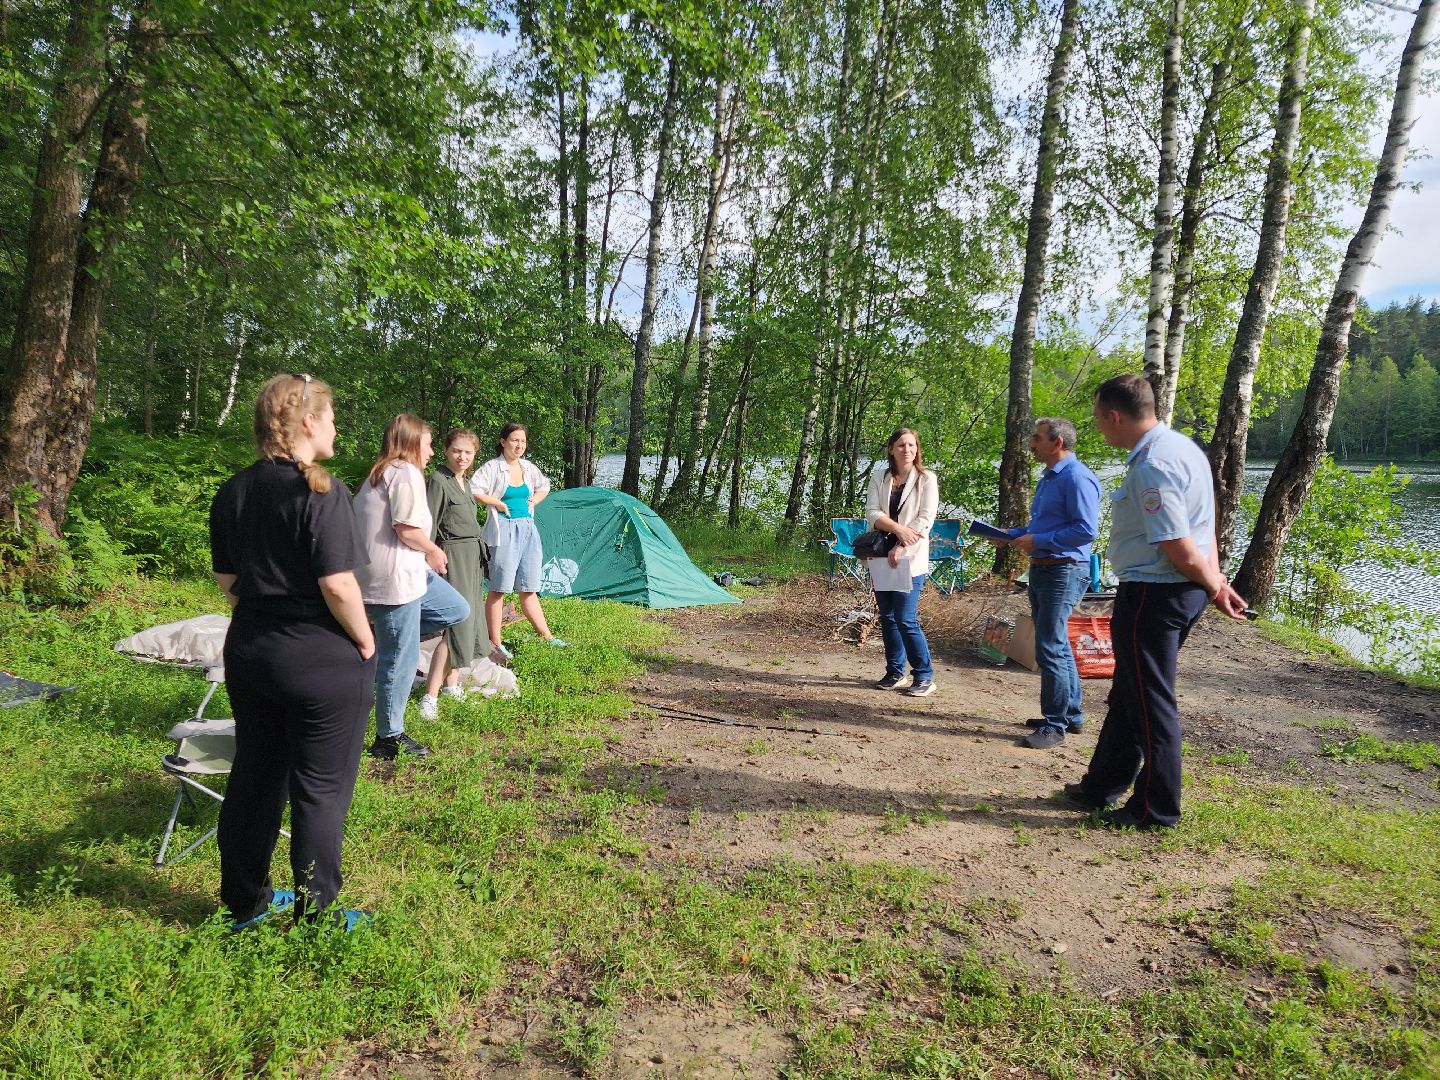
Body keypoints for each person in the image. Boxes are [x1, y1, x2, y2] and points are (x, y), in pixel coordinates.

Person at [208, 373, 375, 930]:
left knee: (255, 775)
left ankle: (244, 903)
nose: (336, 426)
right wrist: (364, 638)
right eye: (330, 417)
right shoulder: (321, 492)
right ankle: (317, 917)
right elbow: (338, 585)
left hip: (251, 650)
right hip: (318, 658)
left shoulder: (233, 491)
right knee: (320, 789)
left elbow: (228, 581)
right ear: (307, 422)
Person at [1064, 374, 1248, 828]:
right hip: (1172, 588)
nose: (1100, 430)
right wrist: (1215, 579)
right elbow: (1206, 526)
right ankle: (1100, 785)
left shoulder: (1154, 464)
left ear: (1115, 415)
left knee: (1149, 700)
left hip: (1155, 592)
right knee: (1129, 692)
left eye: (1099, 421)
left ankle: (1155, 808)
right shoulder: (1184, 448)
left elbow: (1180, 545)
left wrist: (1213, 584)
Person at [353, 414, 470, 760]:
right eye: (429, 443)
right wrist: (433, 550)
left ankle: (388, 638)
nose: (432, 452)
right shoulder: (403, 473)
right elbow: (405, 528)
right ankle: (388, 738)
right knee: (399, 659)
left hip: (403, 574)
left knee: (456, 608)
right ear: (411, 442)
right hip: (393, 580)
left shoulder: (382, 473)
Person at [992, 418, 1101, 750]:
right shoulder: (1049, 478)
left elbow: (1086, 531)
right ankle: (1072, 714)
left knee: (1050, 647)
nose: (1031, 443)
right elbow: (1041, 525)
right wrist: (1009, 536)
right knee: (1057, 643)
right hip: (1043, 568)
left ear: (1057, 443)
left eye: (1037, 438)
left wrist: (1040, 538)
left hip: (1064, 570)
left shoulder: (1077, 478)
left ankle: (1055, 725)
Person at [470, 423, 568, 658]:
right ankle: (496, 643)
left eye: (522, 441)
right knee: (499, 588)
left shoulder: (527, 467)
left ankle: (548, 637)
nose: (519, 445)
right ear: (503, 442)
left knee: (529, 587)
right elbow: (474, 489)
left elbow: (544, 485)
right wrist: (497, 503)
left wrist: (534, 500)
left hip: (527, 530)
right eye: (514, 440)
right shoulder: (493, 467)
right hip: (503, 530)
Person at [864, 427, 940, 698]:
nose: (906, 450)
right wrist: (897, 531)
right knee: (887, 617)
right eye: (901, 445)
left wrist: (902, 544)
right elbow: (872, 513)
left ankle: (924, 675)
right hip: (881, 554)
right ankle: (895, 671)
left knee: (906, 618)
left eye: (911, 445)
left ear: (917, 449)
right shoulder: (879, 477)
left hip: (911, 557)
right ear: (891, 449)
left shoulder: (926, 479)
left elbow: (925, 519)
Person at [418, 428, 487, 720]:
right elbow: (428, 525)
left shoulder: (465, 482)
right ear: (446, 450)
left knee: (468, 623)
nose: (462, 457)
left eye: (468, 453)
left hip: (471, 558)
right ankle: (429, 698)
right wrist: (429, 560)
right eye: (457, 450)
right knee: (456, 626)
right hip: (451, 558)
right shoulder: (438, 480)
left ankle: (452, 685)